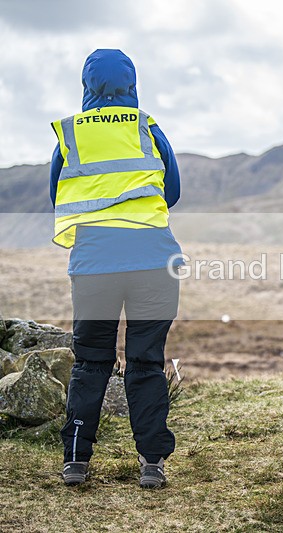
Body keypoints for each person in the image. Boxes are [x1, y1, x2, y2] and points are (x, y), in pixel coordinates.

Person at [50, 49, 182, 489]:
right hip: (152, 260)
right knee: (146, 362)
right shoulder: (148, 127)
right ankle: (151, 464)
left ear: (87, 85)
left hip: (93, 264)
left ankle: (75, 461)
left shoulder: (70, 134)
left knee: (90, 362)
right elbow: (174, 191)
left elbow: (59, 194)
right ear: (132, 83)